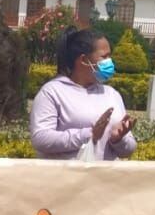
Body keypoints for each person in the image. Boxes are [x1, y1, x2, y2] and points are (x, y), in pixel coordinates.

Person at [29, 27, 137, 160]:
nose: (110, 62)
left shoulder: (112, 94)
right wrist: (88, 134)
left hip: (105, 179)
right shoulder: (52, 92)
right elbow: (40, 139)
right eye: (104, 57)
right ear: (83, 60)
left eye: (110, 56)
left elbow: (129, 149)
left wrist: (118, 139)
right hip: (68, 178)